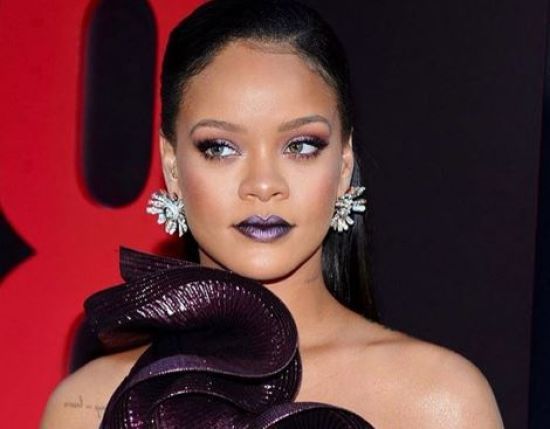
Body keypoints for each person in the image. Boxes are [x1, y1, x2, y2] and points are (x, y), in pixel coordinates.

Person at [40, 0, 504, 427]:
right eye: (220, 148)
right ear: (172, 167)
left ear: (343, 165)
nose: (263, 185)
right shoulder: (88, 406)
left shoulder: (438, 402)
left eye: (300, 146)